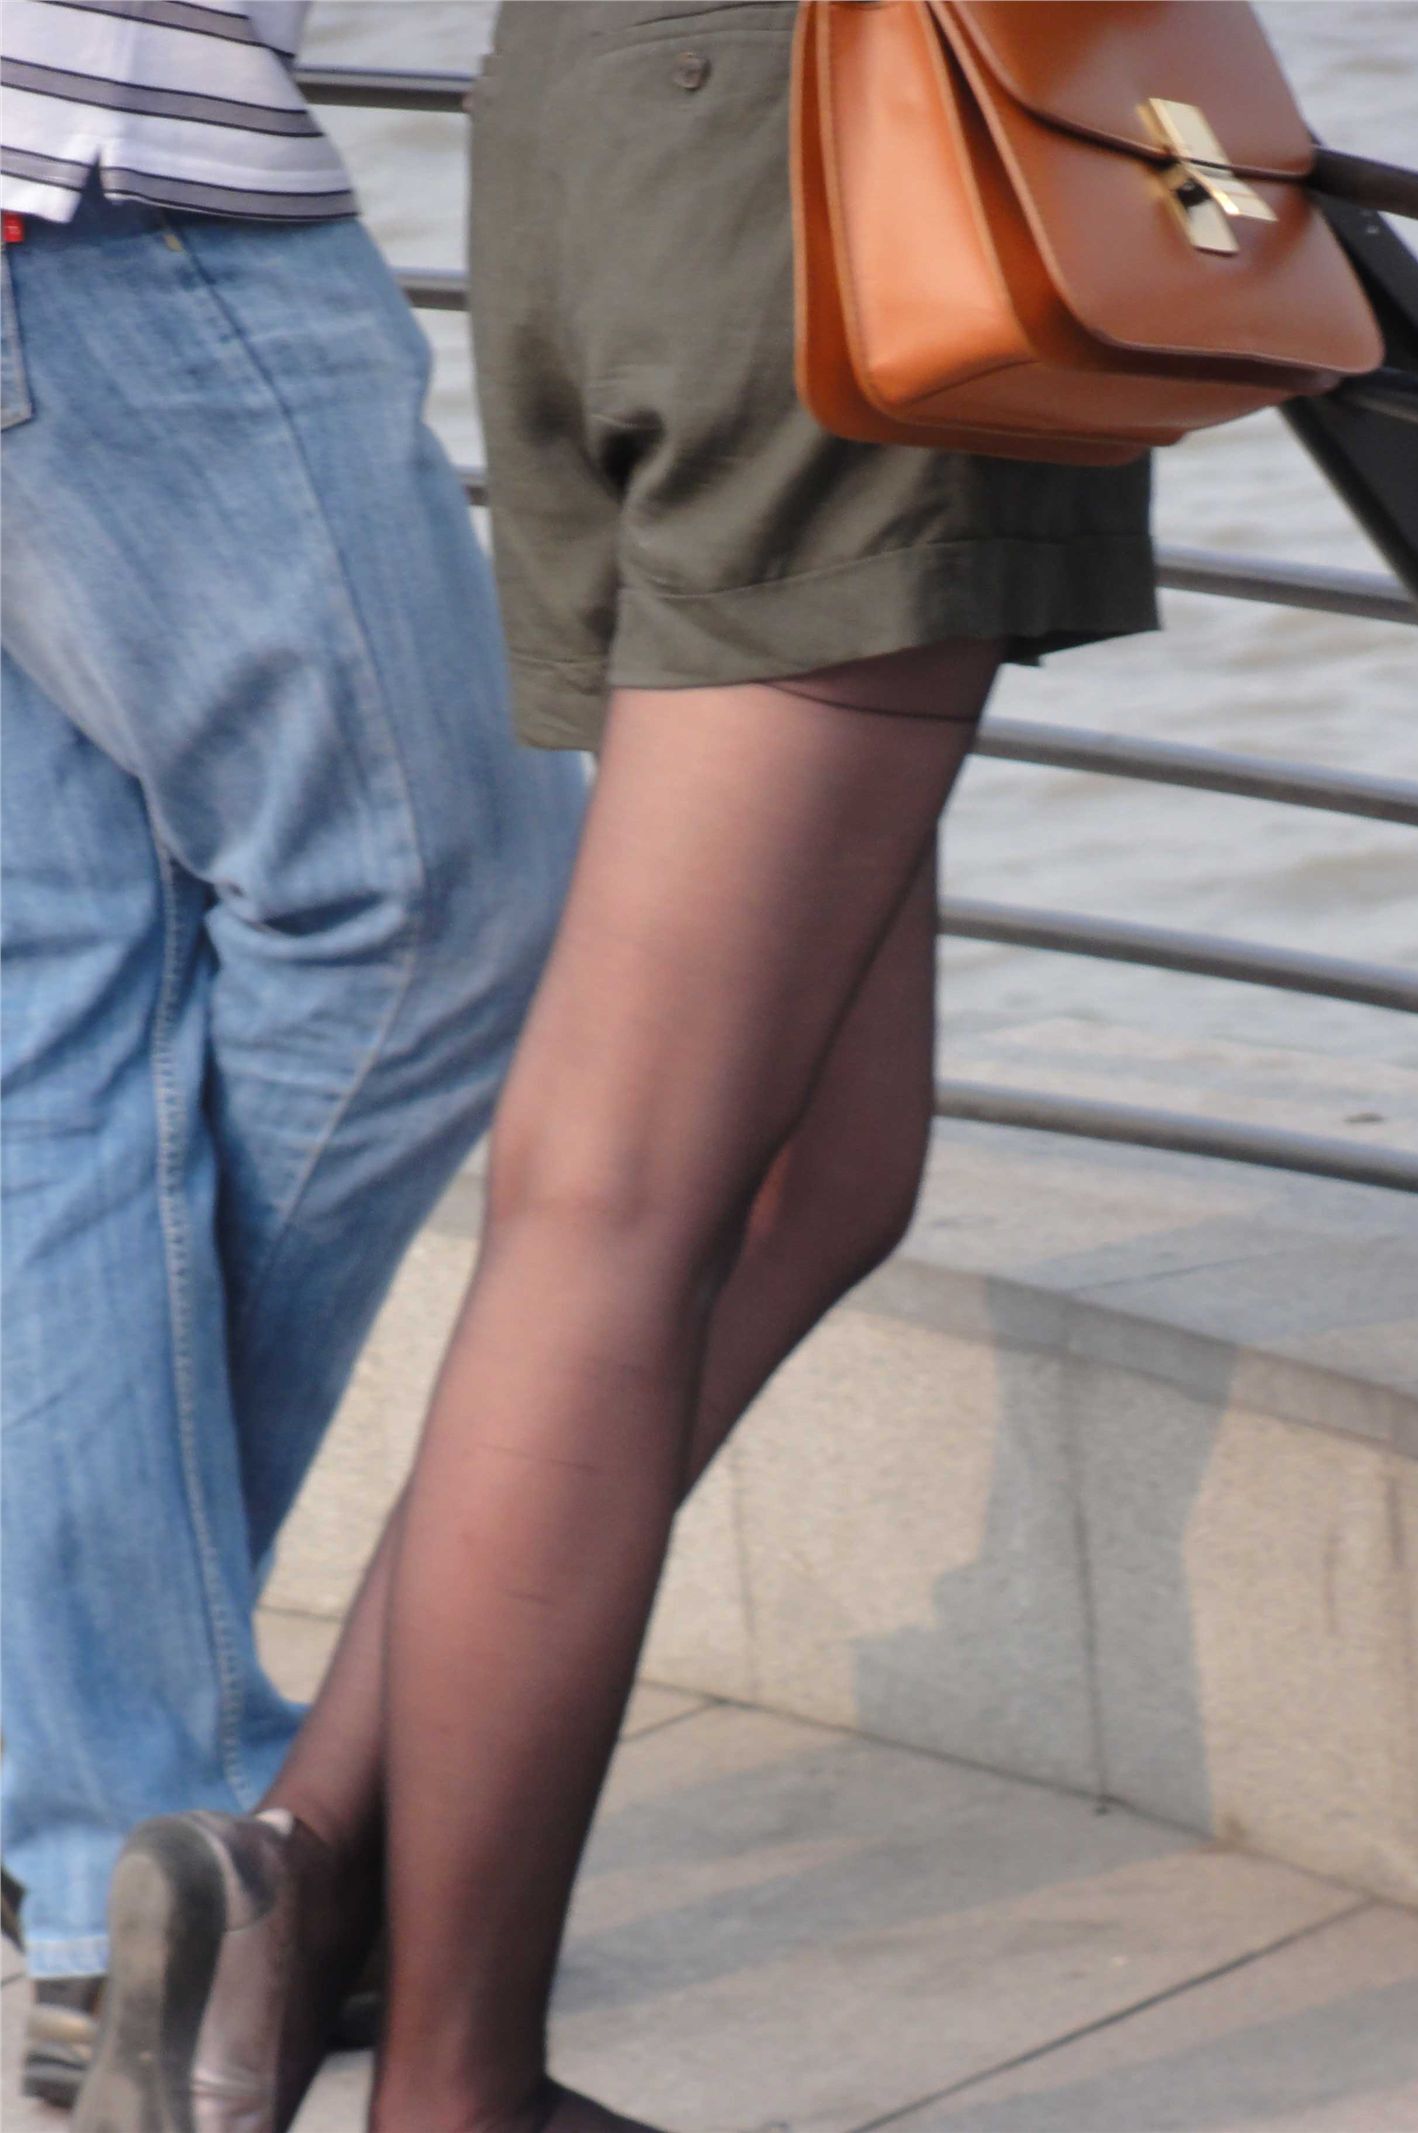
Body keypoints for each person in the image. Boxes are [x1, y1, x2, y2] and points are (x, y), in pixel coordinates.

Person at [75, 6, 1157, 2130]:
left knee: (807, 1176)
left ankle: (275, 1887)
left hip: (615, 127)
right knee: (620, 1201)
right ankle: (457, 2090)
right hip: (838, 152)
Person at [0, 0, 585, 2107]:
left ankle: (101, 1859)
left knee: (71, 1023)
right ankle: (85, 1755)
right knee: (441, 902)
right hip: (99, 189)